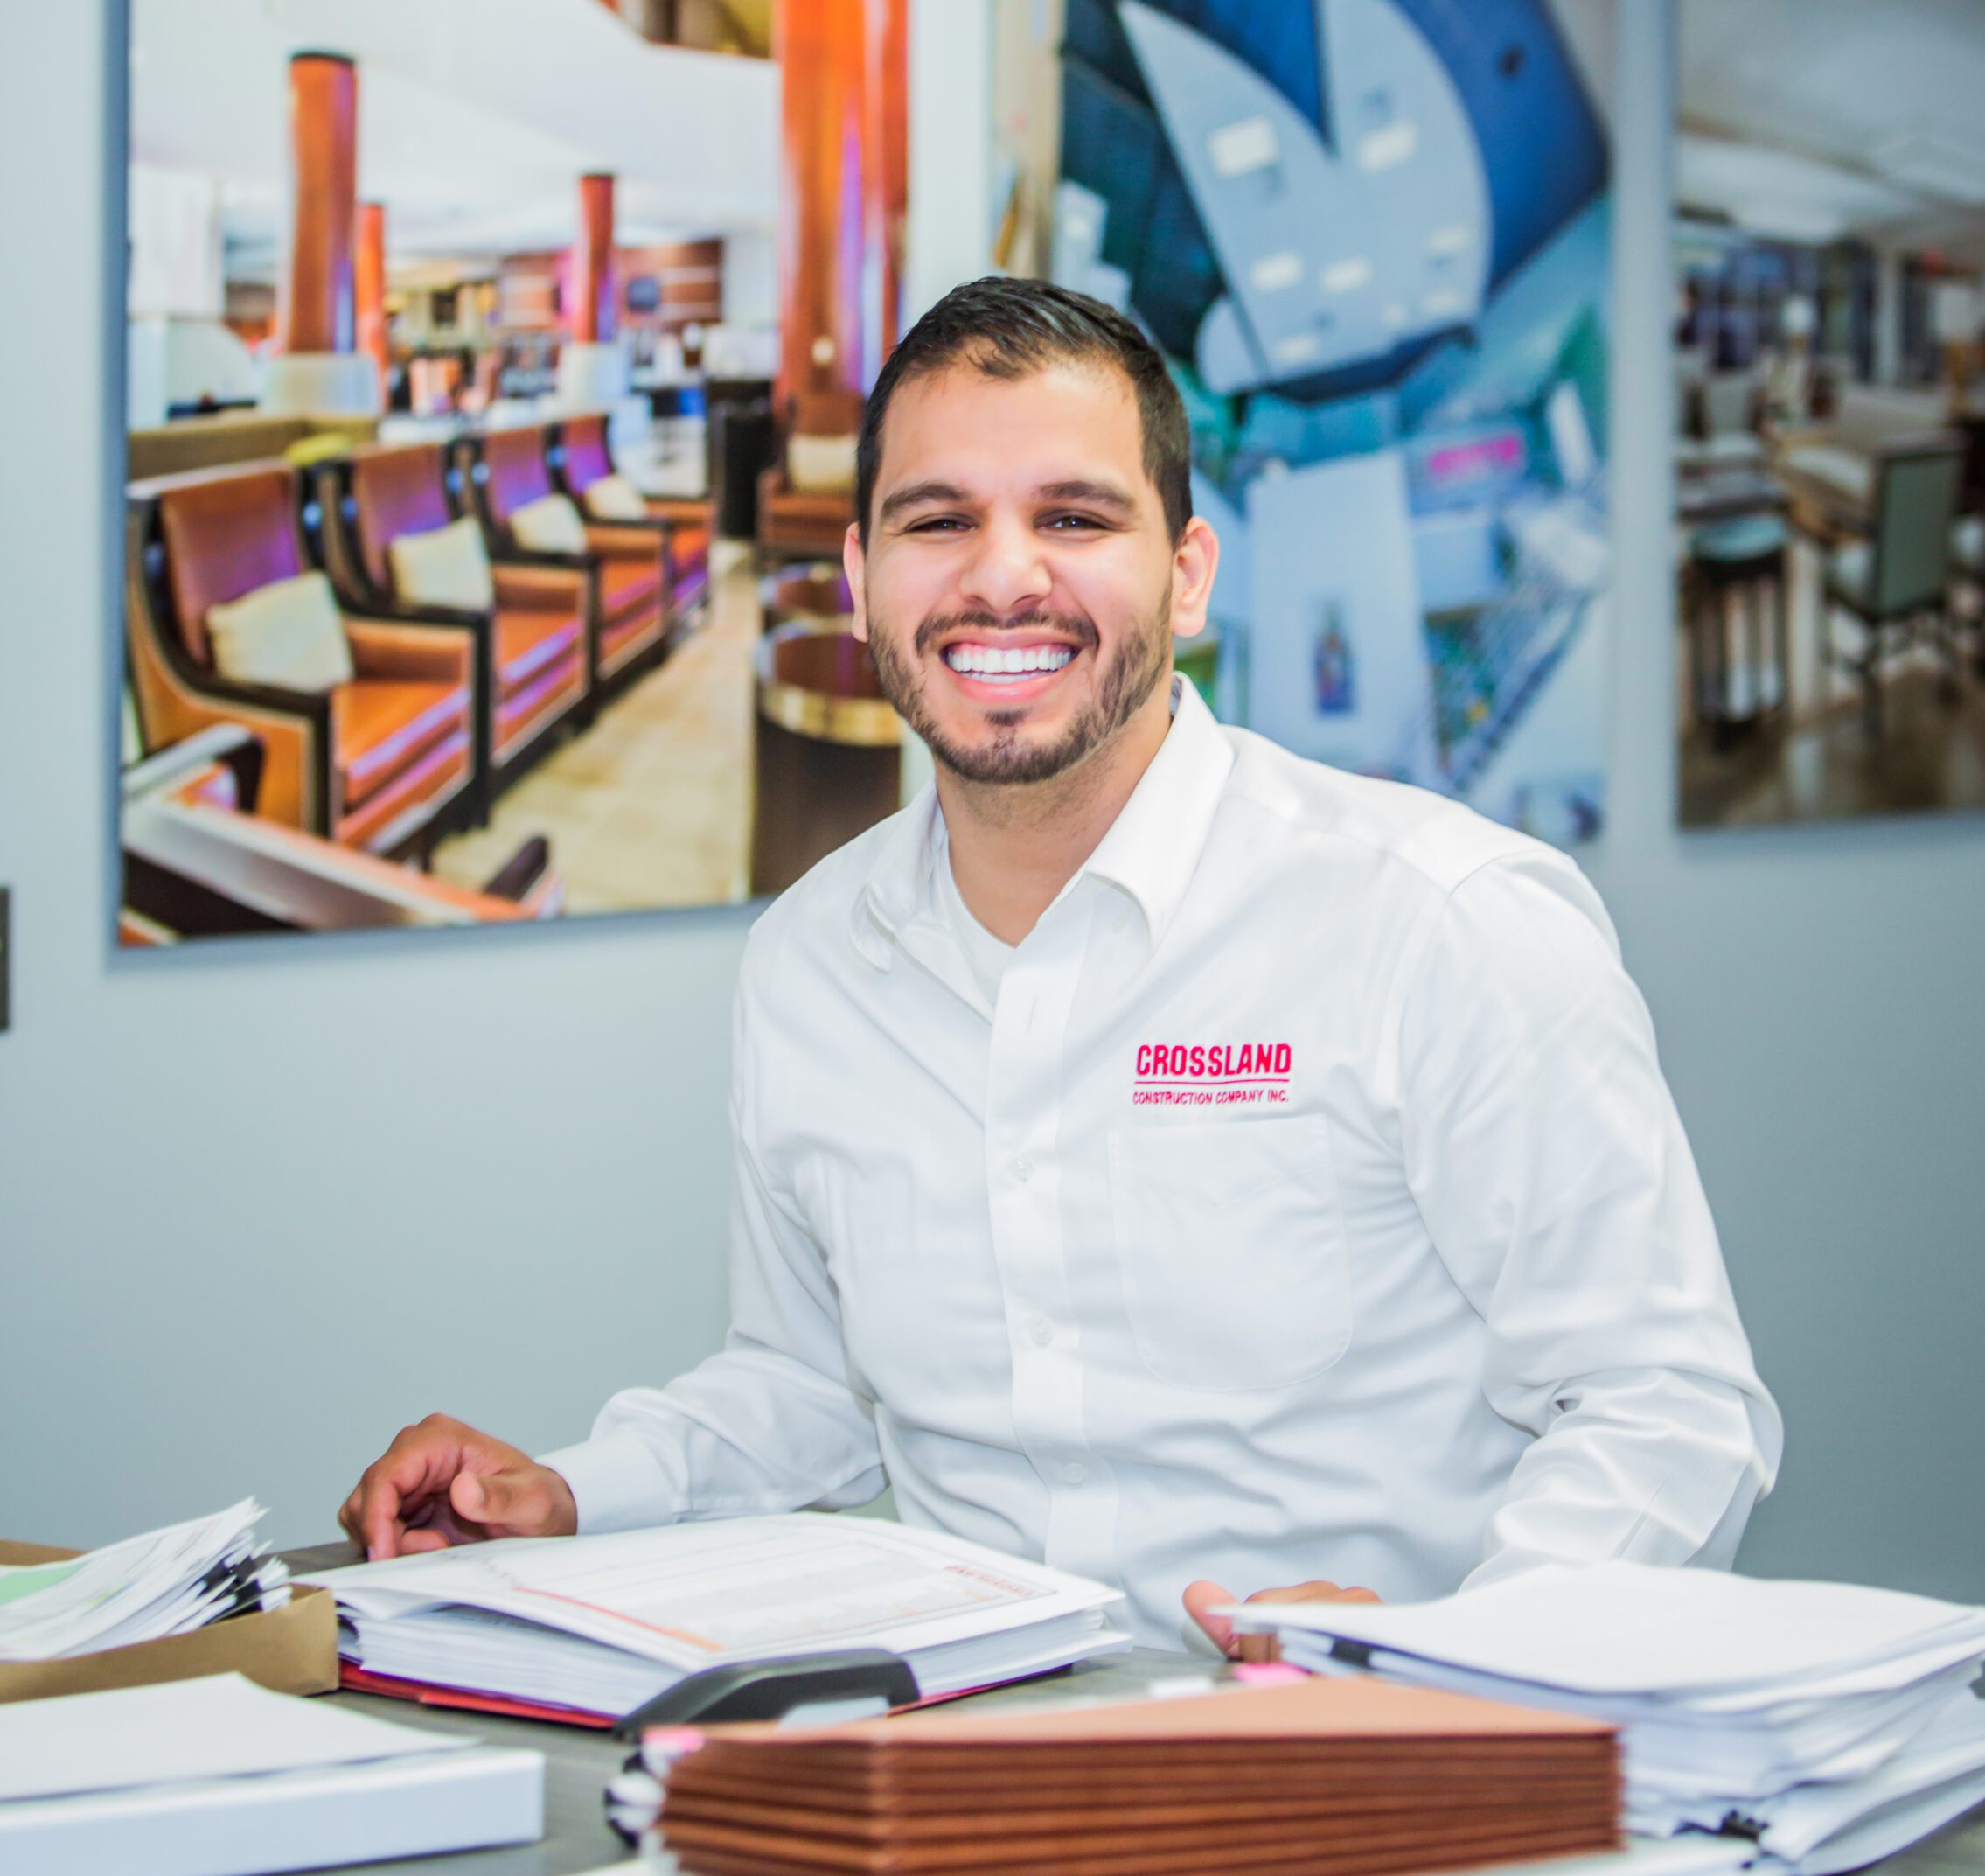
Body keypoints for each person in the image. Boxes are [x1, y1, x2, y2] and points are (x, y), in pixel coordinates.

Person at [341, 277, 1781, 1656]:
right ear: (859, 581)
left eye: (1076, 515)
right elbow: (809, 1387)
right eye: (936, 520)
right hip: (984, 1770)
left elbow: (1665, 1408)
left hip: (1378, 1804)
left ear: (1190, 573)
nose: (1003, 577)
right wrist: (567, 1496)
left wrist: (1467, 1667)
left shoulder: (1440, 921)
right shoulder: (808, 966)